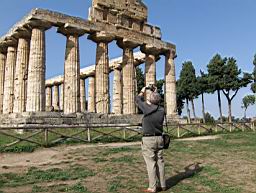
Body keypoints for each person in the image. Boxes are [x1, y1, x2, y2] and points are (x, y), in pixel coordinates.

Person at [135, 85, 167, 193]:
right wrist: (155, 92)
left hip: (149, 139)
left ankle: (152, 188)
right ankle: (162, 185)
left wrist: (142, 91)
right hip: (160, 138)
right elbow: (156, 102)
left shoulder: (146, 108)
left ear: (150, 100)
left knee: (151, 163)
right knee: (160, 162)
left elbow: (137, 99)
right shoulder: (162, 110)